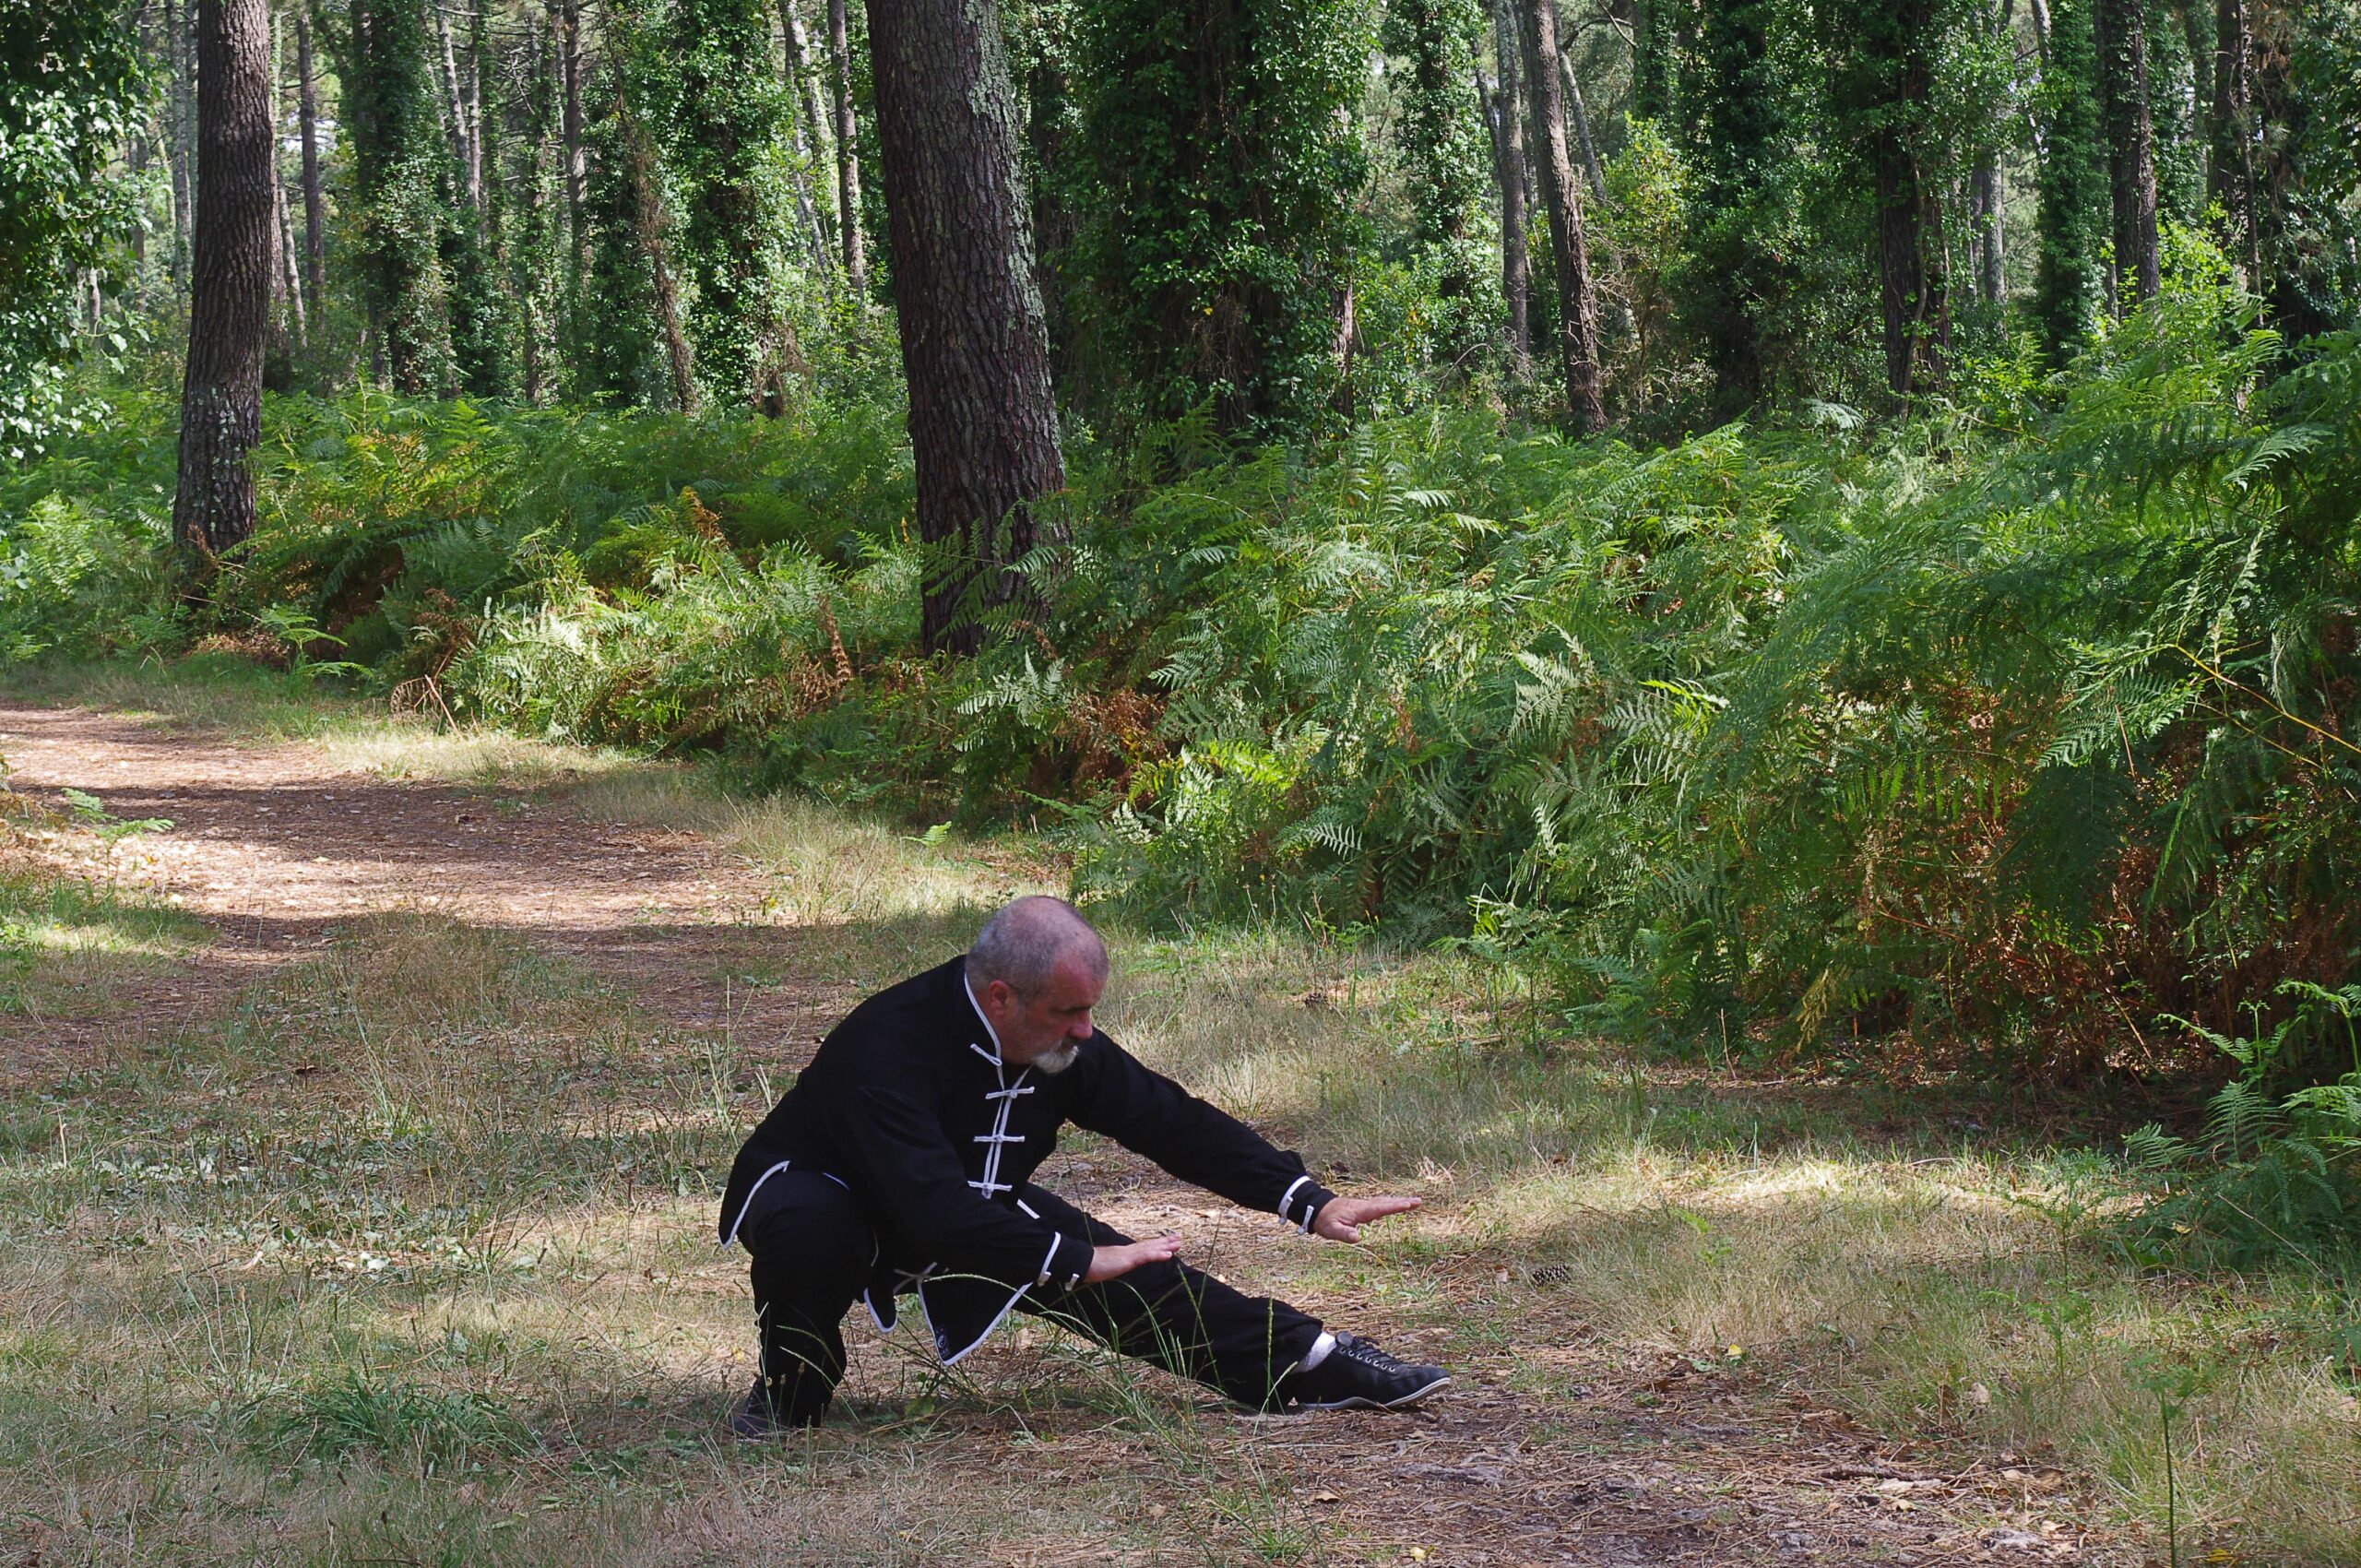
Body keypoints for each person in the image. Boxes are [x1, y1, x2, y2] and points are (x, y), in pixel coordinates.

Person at [717, 896, 1451, 1434]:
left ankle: (1310, 1364)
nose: (1085, 1030)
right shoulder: (886, 1045)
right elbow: (930, 1210)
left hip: (963, 1203)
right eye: (1069, 1011)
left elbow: (1170, 1122)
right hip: (831, 1191)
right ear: (1000, 997)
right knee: (817, 1225)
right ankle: (791, 1391)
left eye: (1092, 1009)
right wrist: (1070, 1257)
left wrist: (1305, 1199)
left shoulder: (1060, 1040)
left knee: (1138, 1278)